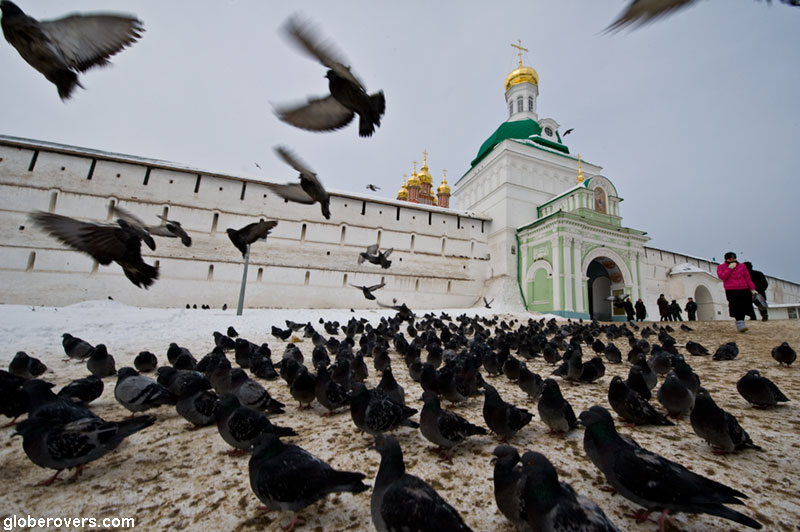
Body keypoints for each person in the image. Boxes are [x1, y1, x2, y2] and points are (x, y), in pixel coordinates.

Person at [716, 252, 757, 333]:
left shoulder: (742, 266)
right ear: (726, 259)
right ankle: (740, 324)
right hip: (731, 290)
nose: (732, 260)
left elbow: (747, 277)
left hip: (743, 288)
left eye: (734, 258)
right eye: (730, 258)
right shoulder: (721, 267)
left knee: (744, 305)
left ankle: (742, 322)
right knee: (735, 306)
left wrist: (752, 288)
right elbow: (722, 277)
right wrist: (729, 269)